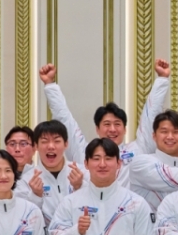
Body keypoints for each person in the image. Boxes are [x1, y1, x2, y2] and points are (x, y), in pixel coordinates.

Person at [38, 59, 170, 190]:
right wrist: (50, 85)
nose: (112, 129)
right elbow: (64, 119)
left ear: (124, 129)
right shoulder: (85, 153)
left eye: (117, 124)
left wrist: (162, 80)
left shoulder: (138, 150)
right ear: (97, 129)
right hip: (92, 209)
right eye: (107, 124)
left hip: (129, 209)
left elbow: (151, 116)